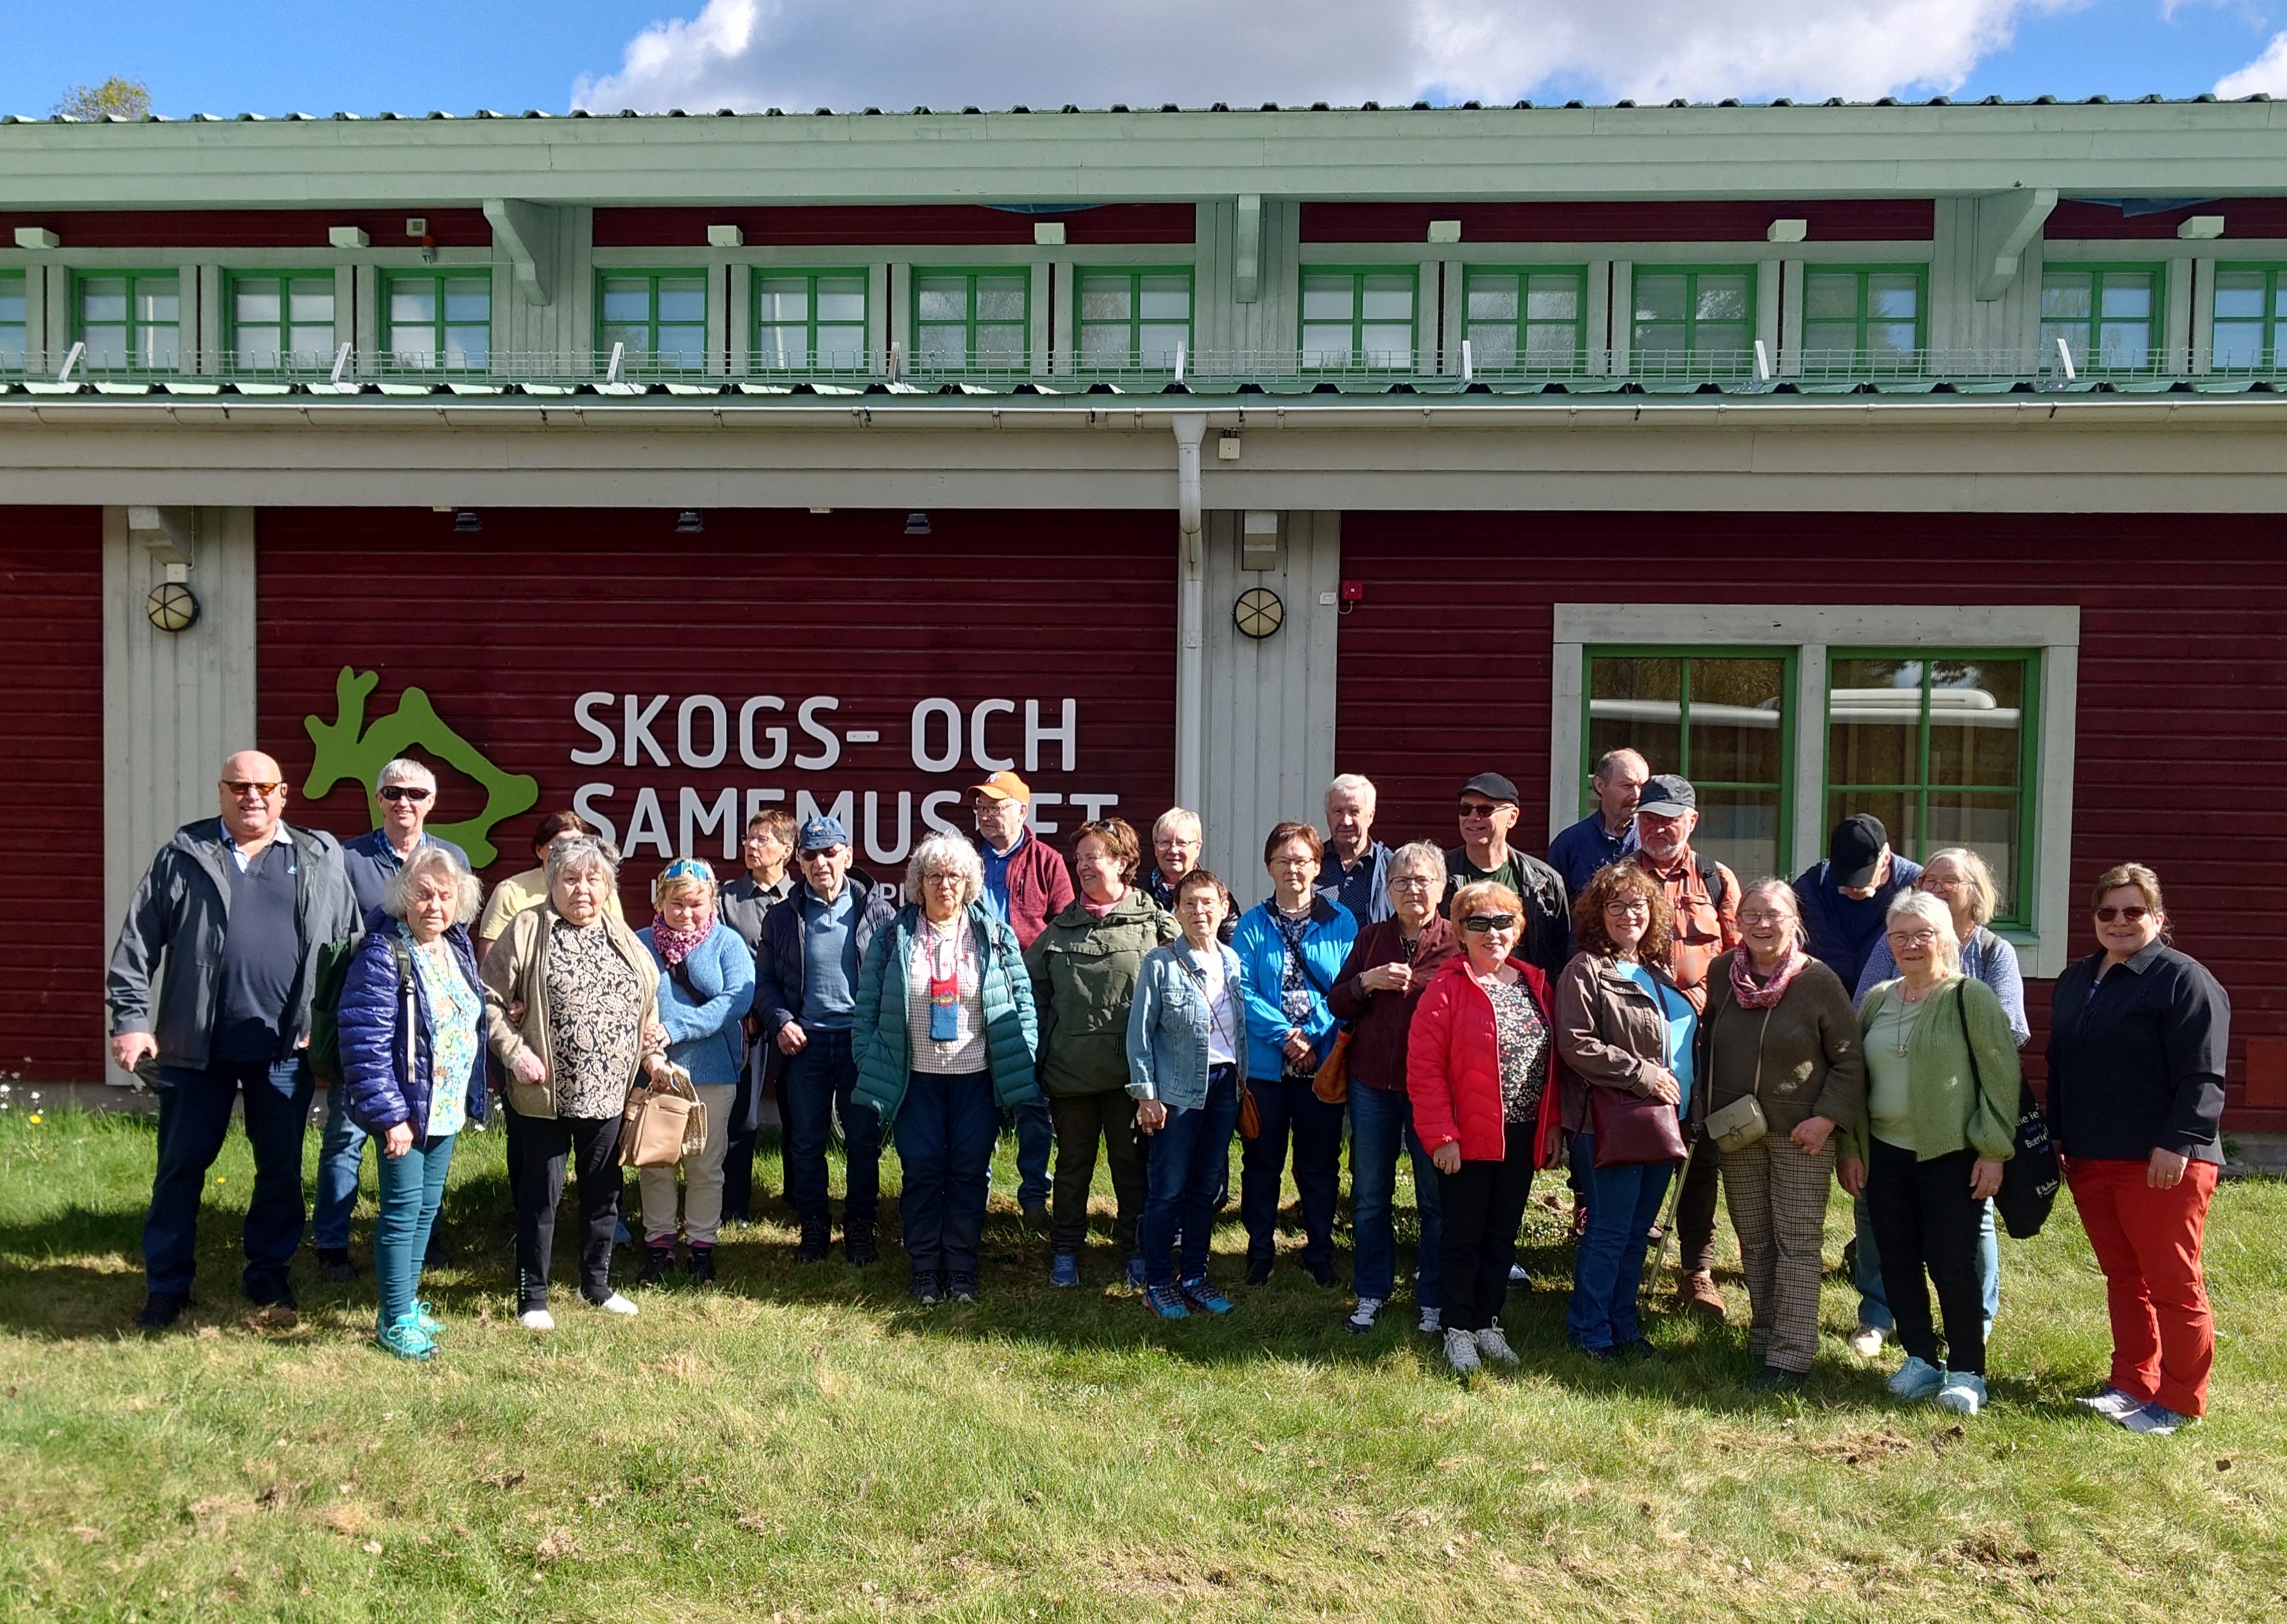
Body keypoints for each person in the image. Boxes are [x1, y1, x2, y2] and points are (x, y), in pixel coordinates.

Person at [108, 751, 360, 1329]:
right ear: (221, 791)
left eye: (264, 787)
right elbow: (137, 942)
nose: (252, 796)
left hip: (285, 1049)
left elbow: (349, 944)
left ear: (284, 793)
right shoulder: (185, 855)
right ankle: (167, 1284)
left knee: (280, 1169)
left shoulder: (318, 856)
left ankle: (268, 1272)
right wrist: (130, 1019)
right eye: (240, 785)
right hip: (195, 1049)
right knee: (180, 1168)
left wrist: (335, 1028)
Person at [2047, 863, 2230, 1437]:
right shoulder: (2077, 979)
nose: (2119, 921)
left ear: (2158, 916)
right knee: (2124, 1277)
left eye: (2133, 910)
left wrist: (2178, 1141)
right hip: (2091, 1156)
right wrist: (2058, 1135)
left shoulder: (2183, 979)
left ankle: (2179, 1400)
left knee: (2173, 1283)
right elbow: (2060, 1064)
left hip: (2163, 1162)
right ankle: (2131, 1382)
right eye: (2108, 911)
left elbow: (2204, 1074)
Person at [483, 836, 668, 1329]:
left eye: (593, 879)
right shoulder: (528, 928)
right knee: (540, 1197)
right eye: (570, 878)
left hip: (608, 1094)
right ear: (552, 882)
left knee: (604, 1194)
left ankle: (596, 1285)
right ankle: (533, 1297)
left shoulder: (623, 935)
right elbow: (489, 1001)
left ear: (608, 886)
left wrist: (653, 1055)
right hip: (544, 1093)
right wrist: (515, 1053)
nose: (582, 889)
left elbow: (646, 1007)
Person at [1846, 846, 2024, 1359]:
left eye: (1922, 936)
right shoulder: (1880, 997)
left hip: (1952, 1145)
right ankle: (1914, 1353)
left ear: (1946, 939)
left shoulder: (1978, 983)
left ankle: (1968, 1359)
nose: (1909, 944)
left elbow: (2002, 1066)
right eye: (1899, 936)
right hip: (1886, 1148)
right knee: (1895, 1253)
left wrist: (1993, 1148)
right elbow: (1858, 1063)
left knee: (1953, 1259)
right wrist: (1851, 1146)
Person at [853, 832, 1041, 1306]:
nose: (944, 885)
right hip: (914, 1079)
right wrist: (868, 1059)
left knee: (969, 1171)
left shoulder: (994, 936)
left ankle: (960, 1268)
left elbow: (1023, 1003)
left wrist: (1023, 1053)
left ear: (968, 882)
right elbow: (867, 1007)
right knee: (921, 1169)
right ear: (919, 882)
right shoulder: (893, 937)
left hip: (976, 1078)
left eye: (954, 876)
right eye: (934, 876)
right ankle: (923, 1269)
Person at [1699, 880, 1865, 1390]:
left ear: (1795, 921)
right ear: (1737, 922)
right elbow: (1707, 1042)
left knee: (1796, 1242)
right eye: (1751, 914)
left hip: (1802, 1134)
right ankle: (1764, 1336)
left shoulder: (1818, 981)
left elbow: (1850, 1060)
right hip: (1737, 1130)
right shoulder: (1722, 972)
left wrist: (1827, 1119)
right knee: (1754, 1238)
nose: (1762, 924)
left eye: (1773, 914)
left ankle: (1791, 1357)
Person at [315, 756, 473, 1283]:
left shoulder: (451, 857)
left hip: (426, 1035)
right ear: (379, 798)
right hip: (370, 1015)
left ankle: (423, 1247)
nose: (404, 801)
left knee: (426, 1144)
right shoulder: (349, 858)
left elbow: (456, 939)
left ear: (432, 802)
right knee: (346, 1134)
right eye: (394, 792)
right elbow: (330, 934)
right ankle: (332, 1243)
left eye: (416, 793)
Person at [336, 844, 485, 1359]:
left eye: (445, 895)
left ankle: (407, 1301)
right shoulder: (384, 953)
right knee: (401, 1211)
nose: (434, 905)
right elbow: (364, 1043)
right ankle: (394, 1318)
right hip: (407, 1111)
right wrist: (390, 1116)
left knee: (425, 1209)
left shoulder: (455, 947)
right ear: (404, 897)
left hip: (444, 1106)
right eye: (423, 894)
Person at [1407, 880, 1558, 1376]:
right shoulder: (1446, 988)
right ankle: (1457, 1328)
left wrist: (1552, 1126)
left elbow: (1553, 1067)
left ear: (1518, 928)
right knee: (1463, 1236)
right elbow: (1425, 1070)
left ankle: (1487, 1321)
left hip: (1522, 1132)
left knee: (1502, 1234)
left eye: (1502, 921)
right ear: (1460, 931)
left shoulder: (1536, 984)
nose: (1492, 932)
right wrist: (1442, 1137)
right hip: (1467, 1136)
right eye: (1479, 923)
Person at [1554, 861, 1696, 1362]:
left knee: (1638, 1231)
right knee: (1610, 1229)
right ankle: (1589, 1329)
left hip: (1661, 1123)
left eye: (1638, 905)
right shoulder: (1586, 969)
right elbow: (1576, 1044)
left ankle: (1623, 1323)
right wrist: (1643, 1076)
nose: (1628, 914)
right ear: (1598, 913)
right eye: (1615, 905)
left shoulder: (1657, 973)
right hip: (1607, 1123)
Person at [1027, 817, 1175, 1287]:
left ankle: (1136, 1251)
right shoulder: (1059, 930)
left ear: (1123, 860)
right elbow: (1033, 998)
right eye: (1080, 859)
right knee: (1072, 1167)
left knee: (1131, 1167)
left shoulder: (1154, 924)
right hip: (1070, 1073)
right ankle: (1065, 1249)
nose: (1083, 866)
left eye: (1094, 856)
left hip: (1133, 1076)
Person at [1327, 841, 1460, 1335]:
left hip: (1432, 1089)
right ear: (1387, 889)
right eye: (1401, 881)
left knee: (1435, 1197)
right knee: (1369, 1194)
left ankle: (1433, 1298)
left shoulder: (1455, 942)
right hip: (1372, 1085)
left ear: (1441, 888)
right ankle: (1371, 1291)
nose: (1412, 890)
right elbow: (1338, 1001)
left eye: (1423, 880)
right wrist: (1368, 981)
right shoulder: (1370, 938)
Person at [756, 816, 898, 1264]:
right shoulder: (782, 916)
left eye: (830, 852)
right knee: (806, 1142)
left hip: (860, 1043)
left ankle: (860, 1228)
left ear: (848, 856)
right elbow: (764, 983)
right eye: (811, 855)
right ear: (798, 862)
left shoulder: (879, 912)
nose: (821, 862)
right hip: (806, 1045)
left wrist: (882, 1032)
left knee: (863, 1141)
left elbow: (896, 979)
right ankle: (814, 1228)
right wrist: (781, 1021)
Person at [1631, 773, 1741, 1321]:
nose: (1657, 828)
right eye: (1647, 818)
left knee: (1702, 1153)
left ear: (1691, 821)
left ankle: (1697, 1270)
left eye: (1668, 819)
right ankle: (1628, 1254)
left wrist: (1710, 1002)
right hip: (1638, 1038)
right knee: (1641, 1145)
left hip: (1702, 1038)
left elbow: (1740, 957)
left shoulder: (1717, 879)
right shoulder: (1619, 879)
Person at [1232, 821, 1358, 1288]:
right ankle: (1260, 1250)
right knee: (1261, 1161)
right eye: (1283, 860)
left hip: (1322, 1063)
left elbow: (1346, 987)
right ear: (1269, 866)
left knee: (1318, 1163)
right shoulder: (1252, 924)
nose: (1293, 869)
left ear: (1317, 866)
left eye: (1302, 860)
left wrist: (1311, 1034)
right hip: (1267, 1066)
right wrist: (1286, 1034)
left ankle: (1319, 1250)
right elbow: (1241, 989)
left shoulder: (1341, 921)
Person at [1126, 867, 1248, 1319]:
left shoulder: (1232, 961)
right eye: (1190, 903)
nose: (1200, 911)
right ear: (1176, 911)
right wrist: (1146, 1095)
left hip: (1224, 1088)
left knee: (1205, 1187)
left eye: (1208, 903)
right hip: (1177, 1092)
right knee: (1168, 1188)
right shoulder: (1160, 964)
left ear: (1224, 908)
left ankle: (1195, 1276)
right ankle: (1158, 1281)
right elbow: (1139, 1034)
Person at [634, 858, 756, 1288]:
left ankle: (701, 1249)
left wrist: (676, 1029)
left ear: (712, 902)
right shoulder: (640, 944)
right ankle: (660, 1247)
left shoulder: (727, 943)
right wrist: (651, 1054)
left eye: (696, 904)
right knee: (657, 1163)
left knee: (705, 1165)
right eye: (677, 903)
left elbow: (735, 1001)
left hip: (712, 1074)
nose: (686, 913)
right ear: (660, 902)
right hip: (656, 1073)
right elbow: (630, 1005)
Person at [973, 769, 1074, 1224]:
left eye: (996, 806)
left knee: (1032, 1100)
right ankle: (975, 1190)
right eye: (981, 807)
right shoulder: (966, 859)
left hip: (1028, 996)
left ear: (1022, 811)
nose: (986, 814)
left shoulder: (1047, 862)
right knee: (978, 1101)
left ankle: (1034, 1194)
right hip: (972, 994)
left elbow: (1065, 928)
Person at [715, 807, 797, 1225]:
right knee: (743, 1117)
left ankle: (799, 1201)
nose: (752, 846)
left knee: (799, 1113)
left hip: (793, 1020)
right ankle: (734, 1207)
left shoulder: (801, 897)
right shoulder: (726, 898)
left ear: (787, 849)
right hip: (746, 1021)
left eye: (763, 839)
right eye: (749, 838)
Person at [1443, 771, 1570, 979]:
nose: (1473, 817)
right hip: (1455, 990)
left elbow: (1560, 952)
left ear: (1512, 817)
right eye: (1465, 810)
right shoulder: (1438, 874)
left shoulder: (1544, 881)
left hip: (1525, 992)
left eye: (1485, 810)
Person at [1794, 813, 1923, 991]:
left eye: (1862, 877)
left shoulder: (1919, 888)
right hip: (1827, 999)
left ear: (1885, 858)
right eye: (1843, 877)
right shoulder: (1811, 888)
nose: (1852, 888)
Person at [475, 810, 624, 960]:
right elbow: (490, 961)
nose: (569, 852)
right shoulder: (510, 891)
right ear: (540, 851)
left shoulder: (603, 890)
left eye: (578, 845)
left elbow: (621, 945)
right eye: (560, 846)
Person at [1547, 748, 1647, 899]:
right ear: (1600, 785)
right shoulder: (1569, 845)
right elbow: (1555, 908)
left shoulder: (1653, 840)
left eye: (1642, 786)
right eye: (1627, 786)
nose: (1636, 795)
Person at [1145, 807, 1234, 944]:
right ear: (1155, 848)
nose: (1173, 850)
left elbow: (1232, 945)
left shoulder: (1216, 897)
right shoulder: (1139, 896)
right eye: (1165, 843)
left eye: (1182, 843)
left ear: (1198, 848)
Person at [1318, 773, 1394, 925]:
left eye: (1354, 812)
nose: (1346, 822)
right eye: (1338, 811)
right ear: (1327, 816)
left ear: (1370, 816)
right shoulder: (1312, 862)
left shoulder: (1391, 868)